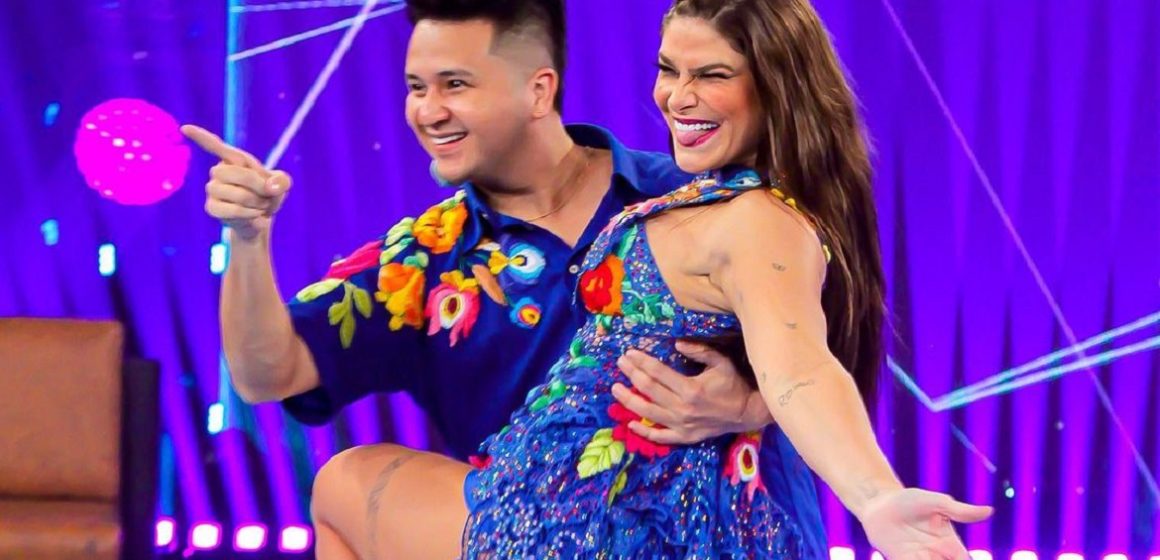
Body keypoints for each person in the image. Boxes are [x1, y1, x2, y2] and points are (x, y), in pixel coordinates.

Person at [182, 0, 830, 558]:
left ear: (539, 91)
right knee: (343, 487)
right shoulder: (420, 265)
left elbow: (828, 358)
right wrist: (248, 238)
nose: (428, 111)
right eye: (415, 87)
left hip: (739, 534)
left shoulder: (701, 200)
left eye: (454, 85)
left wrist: (750, 403)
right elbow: (266, 373)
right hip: (543, 536)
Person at [368, 0, 996, 558]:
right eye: (670, 70)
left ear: (776, 86)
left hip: (587, 523)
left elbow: (800, 369)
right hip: (587, 504)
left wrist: (876, 497)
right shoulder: (726, 198)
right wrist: (750, 401)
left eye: (712, 75)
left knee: (348, 482)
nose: (678, 96)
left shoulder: (759, 221)